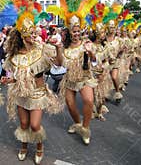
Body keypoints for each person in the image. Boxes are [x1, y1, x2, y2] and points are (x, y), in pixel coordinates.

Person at [1, 15, 63, 164]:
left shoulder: (41, 50)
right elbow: (18, 78)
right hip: (22, 94)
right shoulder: (15, 56)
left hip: (37, 94)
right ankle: (24, 146)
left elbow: (59, 64)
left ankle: (39, 147)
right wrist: (9, 80)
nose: (35, 35)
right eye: (32, 33)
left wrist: (58, 49)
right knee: (23, 124)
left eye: (35, 32)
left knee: (35, 125)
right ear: (23, 36)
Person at [60, 15, 97, 145]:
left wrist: (90, 53)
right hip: (70, 79)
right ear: (69, 32)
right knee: (70, 104)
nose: (76, 33)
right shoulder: (65, 47)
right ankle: (77, 124)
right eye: (73, 31)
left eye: (77, 31)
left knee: (88, 100)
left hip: (84, 78)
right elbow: (60, 64)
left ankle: (85, 129)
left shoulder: (87, 44)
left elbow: (94, 61)